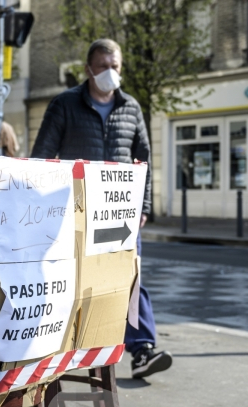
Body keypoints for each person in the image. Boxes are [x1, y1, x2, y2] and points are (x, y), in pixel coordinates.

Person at [31, 38, 172, 380]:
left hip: (119, 214)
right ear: (88, 69)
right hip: (76, 212)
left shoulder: (131, 108)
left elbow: (145, 162)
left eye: (116, 66)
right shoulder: (64, 105)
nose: (110, 72)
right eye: (103, 65)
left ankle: (141, 351)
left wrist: (144, 206)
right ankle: (54, 351)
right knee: (72, 282)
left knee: (129, 280)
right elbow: (40, 158)